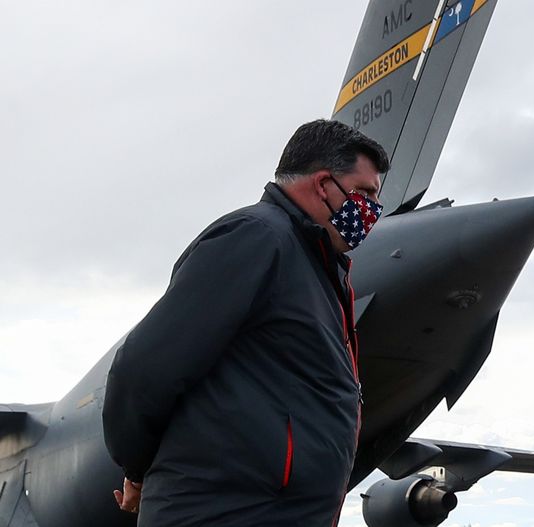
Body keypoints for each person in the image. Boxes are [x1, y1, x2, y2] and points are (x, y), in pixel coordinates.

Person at [102, 119, 390, 526]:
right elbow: (144, 368)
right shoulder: (257, 238)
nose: (372, 211)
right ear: (323, 184)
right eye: (365, 194)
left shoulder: (318, 269)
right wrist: (135, 466)